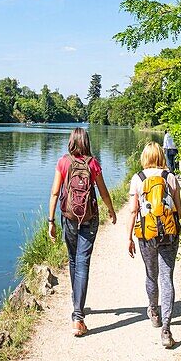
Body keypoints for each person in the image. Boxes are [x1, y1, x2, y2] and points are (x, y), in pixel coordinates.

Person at [48, 127, 117, 336]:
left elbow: (54, 192)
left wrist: (51, 220)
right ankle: (78, 316)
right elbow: (103, 191)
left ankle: (76, 302)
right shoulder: (93, 163)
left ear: (71, 141)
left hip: (68, 217)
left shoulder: (63, 162)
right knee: (83, 262)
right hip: (89, 217)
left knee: (72, 259)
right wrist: (111, 210)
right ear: (86, 141)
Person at [127, 141, 181, 349]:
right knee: (166, 277)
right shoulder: (170, 177)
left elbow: (133, 211)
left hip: (146, 235)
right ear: (160, 156)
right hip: (169, 234)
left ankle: (154, 312)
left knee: (151, 274)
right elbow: (178, 209)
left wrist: (128, 237)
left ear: (145, 158)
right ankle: (166, 331)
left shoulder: (138, 179)